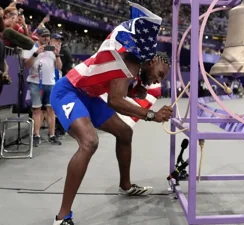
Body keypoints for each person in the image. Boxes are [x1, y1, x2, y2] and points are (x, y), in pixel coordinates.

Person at [50, 4, 173, 225]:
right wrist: (151, 115)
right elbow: (116, 100)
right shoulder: (128, 62)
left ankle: (125, 186)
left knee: (124, 132)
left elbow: (117, 89)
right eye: (160, 74)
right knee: (89, 142)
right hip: (68, 91)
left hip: (88, 96)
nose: (157, 81)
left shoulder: (135, 68)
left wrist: (134, 89)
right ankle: (62, 216)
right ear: (152, 61)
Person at [22, 28, 63, 147]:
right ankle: (36, 135)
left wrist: (57, 55)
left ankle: (52, 135)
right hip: (35, 82)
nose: (46, 38)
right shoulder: (32, 48)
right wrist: (36, 53)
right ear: (38, 37)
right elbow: (26, 65)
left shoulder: (53, 49)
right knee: (37, 110)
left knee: (51, 110)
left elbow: (59, 67)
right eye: (43, 36)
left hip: (50, 83)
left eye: (48, 36)